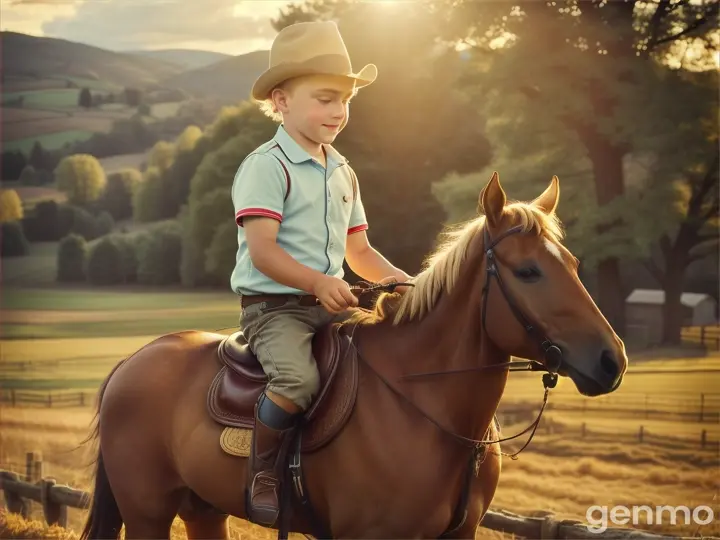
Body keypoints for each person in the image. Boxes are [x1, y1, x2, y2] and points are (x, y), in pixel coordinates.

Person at [231, 20, 412, 527]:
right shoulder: (267, 166)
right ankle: (262, 472)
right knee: (297, 379)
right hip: (276, 309)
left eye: (346, 101)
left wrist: (405, 282)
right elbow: (263, 252)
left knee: (381, 367)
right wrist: (316, 282)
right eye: (325, 99)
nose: (338, 112)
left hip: (330, 303)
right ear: (282, 101)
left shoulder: (342, 170)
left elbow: (360, 250)